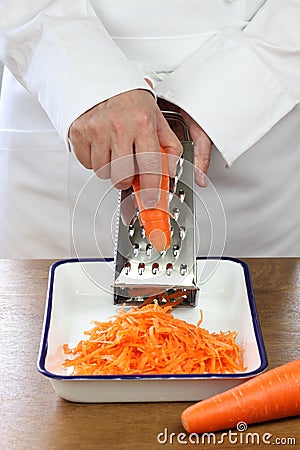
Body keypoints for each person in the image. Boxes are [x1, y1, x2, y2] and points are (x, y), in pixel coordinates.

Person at [0, 0, 299, 259]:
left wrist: (227, 88)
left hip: (260, 126)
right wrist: (90, 82)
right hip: (58, 90)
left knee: (260, 314)